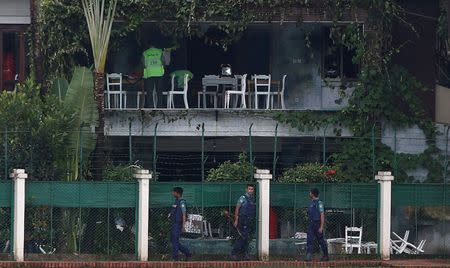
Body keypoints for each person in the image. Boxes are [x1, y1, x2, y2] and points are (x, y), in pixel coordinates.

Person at [231, 184, 256, 260]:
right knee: (243, 236)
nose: (250, 190)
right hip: (242, 219)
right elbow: (237, 208)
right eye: (249, 189)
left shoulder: (252, 199)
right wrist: (236, 219)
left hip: (248, 220)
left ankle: (245, 254)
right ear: (246, 189)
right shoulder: (243, 198)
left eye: (252, 189)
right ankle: (234, 253)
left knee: (245, 237)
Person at [305, 188, 329, 261]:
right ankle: (308, 255)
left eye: (310, 192)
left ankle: (325, 255)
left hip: (317, 224)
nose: (309, 194)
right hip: (311, 224)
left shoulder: (320, 203)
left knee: (321, 240)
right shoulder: (311, 203)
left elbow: (322, 215)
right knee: (310, 239)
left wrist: (321, 227)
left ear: (312, 194)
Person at [168, 187, 192, 261]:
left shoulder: (182, 202)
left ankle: (175, 258)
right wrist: (170, 214)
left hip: (178, 224)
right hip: (173, 223)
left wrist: (183, 225)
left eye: (174, 192)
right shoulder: (176, 201)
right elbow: (174, 211)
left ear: (177, 193)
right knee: (173, 240)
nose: (173, 193)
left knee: (175, 240)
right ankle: (187, 253)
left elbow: (184, 214)